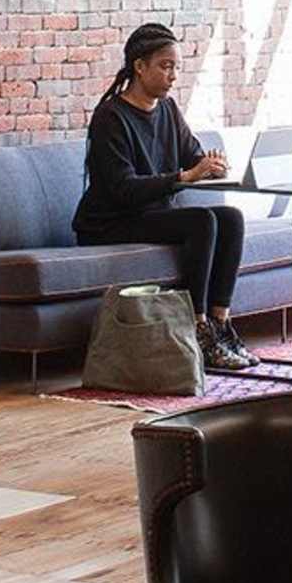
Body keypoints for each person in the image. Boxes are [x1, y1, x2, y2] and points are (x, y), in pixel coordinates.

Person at [80, 22, 257, 375]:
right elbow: (123, 189)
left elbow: (191, 156)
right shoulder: (110, 117)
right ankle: (197, 328)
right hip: (112, 221)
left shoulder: (168, 110)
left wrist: (211, 166)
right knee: (201, 221)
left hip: (152, 215)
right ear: (139, 66)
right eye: (165, 66)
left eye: (176, 66)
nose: (173, 75)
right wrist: (183, 177)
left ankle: (220, 325)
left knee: (231, 217)